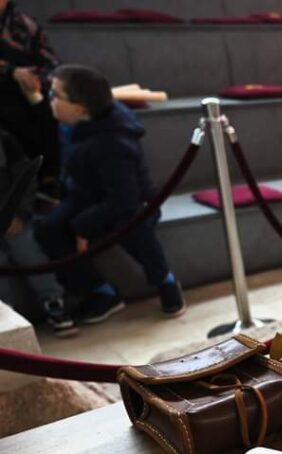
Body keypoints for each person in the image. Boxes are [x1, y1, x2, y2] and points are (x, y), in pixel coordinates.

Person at [34, 64, 185, 324]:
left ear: (80, 108)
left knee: (134, 228)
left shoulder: (112, 144)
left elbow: (124, 200)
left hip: (132, 200)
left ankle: (165, 282)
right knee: (49, 229)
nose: (50, 100)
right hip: (88, 192)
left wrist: (83, 227)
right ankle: (100, 292)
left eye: (55, 96)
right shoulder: (72, 122)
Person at [0, 126, 75, 335]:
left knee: (28, 251)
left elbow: (25, 178)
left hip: (14, 217)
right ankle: (7, 316)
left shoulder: (5, 139)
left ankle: (53, 303)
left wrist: (20, 214)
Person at [0, 0, 61, 198]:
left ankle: (47, 179)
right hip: (5, 86)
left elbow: (51, 63)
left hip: (27, 87)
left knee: (48, 110)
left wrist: (36, 78)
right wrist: (12, 72)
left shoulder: (24, 24)